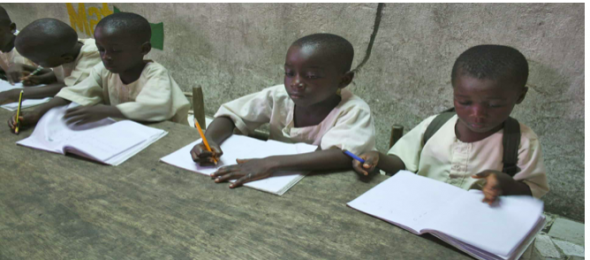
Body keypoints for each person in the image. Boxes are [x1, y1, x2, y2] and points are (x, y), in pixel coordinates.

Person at [352, 45, 549, 205]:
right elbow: (401, 163)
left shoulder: (520, 141)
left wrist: (506, 184)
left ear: (520, 96)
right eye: (464, 102)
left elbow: (531, 192)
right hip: (420, 210)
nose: (477, 114)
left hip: (477, 228)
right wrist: (377, 158)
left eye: (494, 105)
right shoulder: (436, 125)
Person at [191, 33, 376, 188]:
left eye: (311, 76)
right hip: (273, 186)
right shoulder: (278, 96)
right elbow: (232, 115)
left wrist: (271, 163)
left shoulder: (353, 110)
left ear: (343, 80)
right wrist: (209, 140)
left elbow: (342, 155)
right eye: (289, 73)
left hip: (325, 187)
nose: (296, 83)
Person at [8, 12, 189, 132]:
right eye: (101, 49)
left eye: (116, 50)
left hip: (168, 134)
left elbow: (156, 107)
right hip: (129, 132)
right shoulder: (103, 70)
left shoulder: (155, 74)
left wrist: (105, 110)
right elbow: (74, 92)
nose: (106, 57)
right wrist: (38, 112)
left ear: (144, 49)